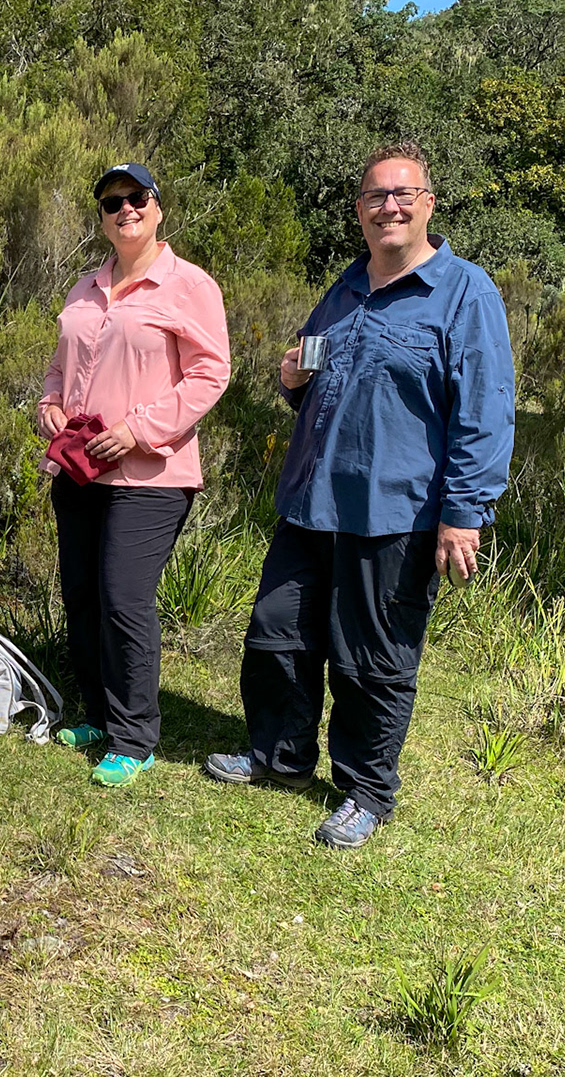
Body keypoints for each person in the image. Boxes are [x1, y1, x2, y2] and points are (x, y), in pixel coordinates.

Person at [205, 142, 515, 848]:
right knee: (277, 634)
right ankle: (279, 758)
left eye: (404, 194)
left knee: (372, 660)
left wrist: (463, 516)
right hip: (312, 502)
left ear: (429, 203)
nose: (390, 207)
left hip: (398, 513)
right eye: (376, 197)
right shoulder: (344, 290)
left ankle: (366, 790)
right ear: (360, 211)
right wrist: (292, 382)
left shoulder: (466, 293)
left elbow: (486, 412)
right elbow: (319, 387)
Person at [39, 163, 232, 788]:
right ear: (101, 217)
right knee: (85, 596)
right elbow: (58, 369)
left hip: (151, 473)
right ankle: (97, 712)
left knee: (124, 600)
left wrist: (140, 429)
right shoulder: (83, 287)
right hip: (78, 470)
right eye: (111, 202)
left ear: (158, 207)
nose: (124, 210)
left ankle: (133, 735)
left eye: (136, 198)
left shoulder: (189, 286)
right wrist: (50, 409)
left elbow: (209, 374)